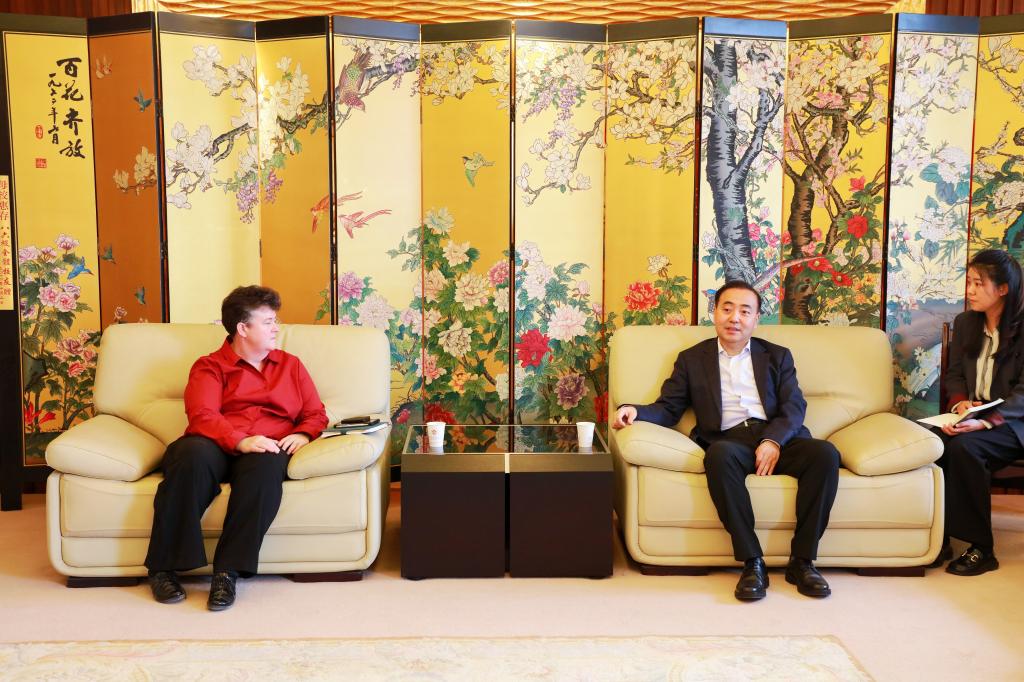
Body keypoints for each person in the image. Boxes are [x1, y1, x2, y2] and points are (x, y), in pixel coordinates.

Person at [613, 280, 840, 601]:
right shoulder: (692, 359)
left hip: (778, 437)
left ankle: (802, 561)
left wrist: (773, 441)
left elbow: (794, 407)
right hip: (729, 441)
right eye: (727, 309)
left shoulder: (777, 356)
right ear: (715, 313)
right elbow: (668, 408)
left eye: (745, 311)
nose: (735, 318)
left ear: (756, 319)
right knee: (718, 456)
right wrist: (634, 410)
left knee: (825, 454)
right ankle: (752, 562)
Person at [145, 286, 328, 610]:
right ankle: (163, 568)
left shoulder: (291, 365)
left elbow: (315, 413)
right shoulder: (209, 366)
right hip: (214, 442)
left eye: (275, 321)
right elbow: (202, 415)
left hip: (266, 445)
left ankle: (226, 573)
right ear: (243, 328)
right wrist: (240, 440)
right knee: (189, 457)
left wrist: (303, 433)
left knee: (266, 468)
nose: (276, 328)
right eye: (268, 322)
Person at [935, 249, 1024, 576]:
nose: (969, 290)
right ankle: (938, 537)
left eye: (978, 284)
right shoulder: (966, 323)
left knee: (965, 448)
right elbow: (955, 374)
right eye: (969, 282)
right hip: (972, 414)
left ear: (1002, 289)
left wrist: (985, 421)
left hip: (1013, 422)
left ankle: (981, 548)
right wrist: (960, 405)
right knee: (930, 442)